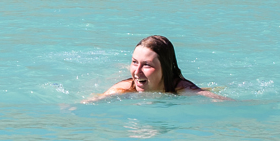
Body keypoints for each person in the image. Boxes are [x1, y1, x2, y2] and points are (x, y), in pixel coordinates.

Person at [87, 34, 221, 99]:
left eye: (146, 65)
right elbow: (92, 101)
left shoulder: (182, 89)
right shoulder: (125, 88)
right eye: (134, 62)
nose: (137, 72)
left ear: (165, 68)